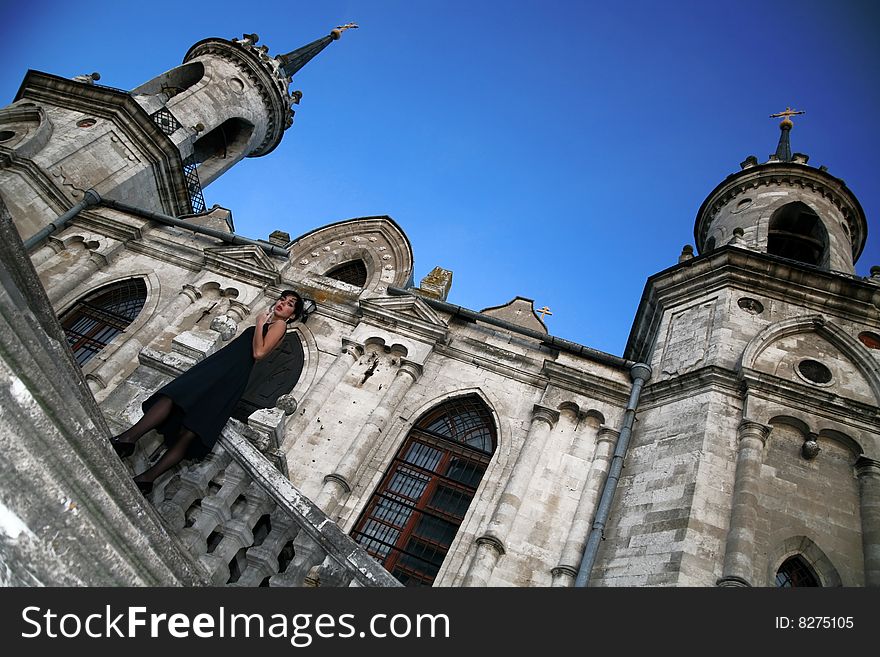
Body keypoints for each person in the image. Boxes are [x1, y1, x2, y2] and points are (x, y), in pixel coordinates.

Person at [109, 290, 304, 494]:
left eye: (290, 304)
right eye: (282, 299)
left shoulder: (279, 325)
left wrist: (259, 324)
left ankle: (132, 449)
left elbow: (259, 353)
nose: (283, 303)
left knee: (187, 420)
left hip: (229, 373)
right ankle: (137, 459)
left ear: (292, 315)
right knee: (179, 405)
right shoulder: (270, 323)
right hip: (222, 368)